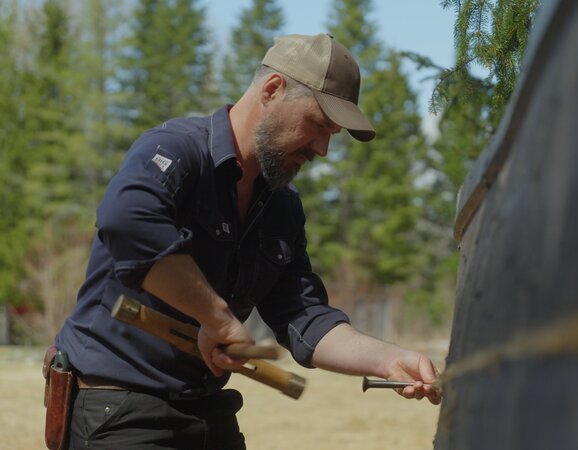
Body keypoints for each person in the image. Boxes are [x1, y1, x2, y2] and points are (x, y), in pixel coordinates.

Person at [51, 33, 441, 449]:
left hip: (208, 410)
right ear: (273, 90)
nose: (323, 149)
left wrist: (388, 360)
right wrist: (216, 318)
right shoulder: (176, 150)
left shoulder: (283, 206)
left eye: (334, 135)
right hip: (120, 411)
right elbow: (126, 222)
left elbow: (304, 315)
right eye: (319, 125)